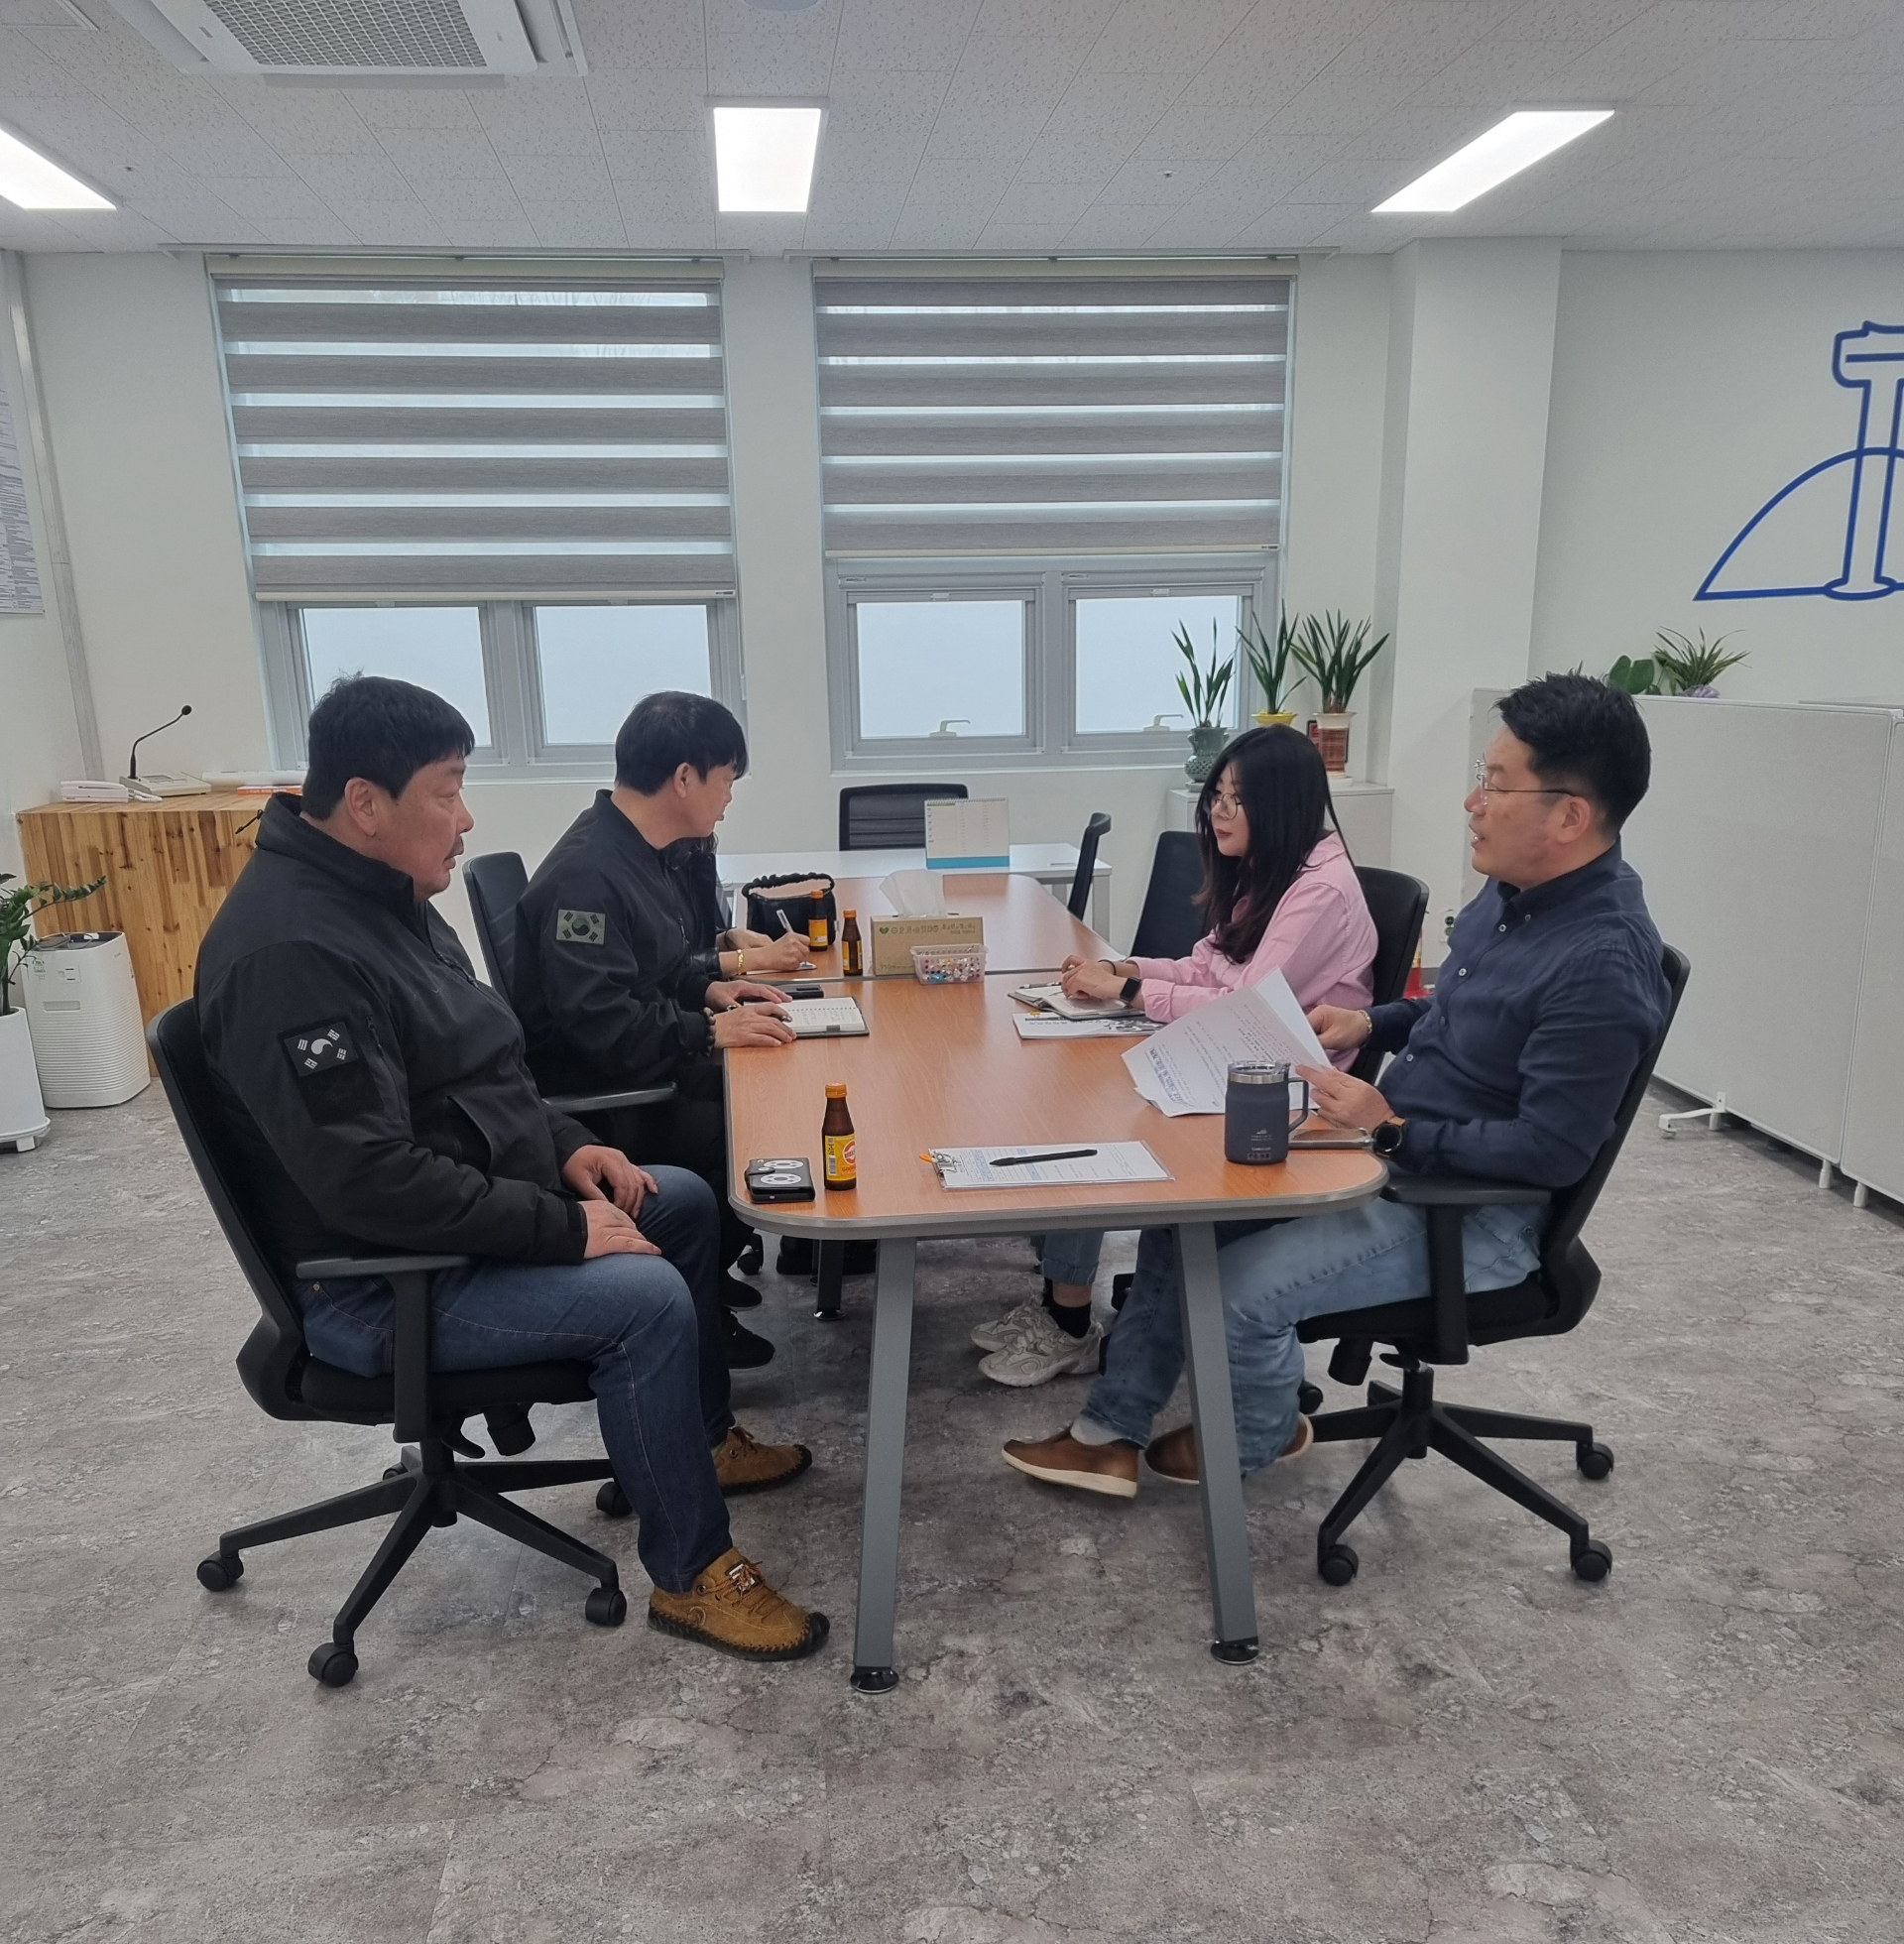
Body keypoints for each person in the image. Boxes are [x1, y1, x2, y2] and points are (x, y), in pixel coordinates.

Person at [195, 675, 825, 1661]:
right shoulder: (292, 953)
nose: (466, 818)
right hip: (382, 1283)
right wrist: (563, 1228)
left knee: (681, 1204)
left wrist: (569, 1145)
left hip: (456, 1220)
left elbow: (479, 1066)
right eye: (447, 792)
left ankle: (699, 1443)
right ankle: (693, 1573)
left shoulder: (384, 898)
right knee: (646, 1298)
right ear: (365, 803)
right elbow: (369, 1182)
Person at [1000, 672, 1669, 1500]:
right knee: (1183, 1222)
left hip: (1470, 1212)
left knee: (1239, 1294)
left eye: (1496, 785)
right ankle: (1109, 1435)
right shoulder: (1517, 898)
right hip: (1393, 1156)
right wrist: (1372, 1022)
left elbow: (1552, 1153)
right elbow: (1458, 1015)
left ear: (1569, 816)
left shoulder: (1602, 961)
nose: (1471, 802)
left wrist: (1390, 1128)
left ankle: (1260, 1430)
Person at [974, 726, 1377, 1389]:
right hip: (1234, 1059)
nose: (1218, 811)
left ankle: (1068, 1320)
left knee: (1096, 1116)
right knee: (1079, 1093)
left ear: (1281, 804)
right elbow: (1205, 967)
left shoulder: (1319, 889)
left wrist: (1131, 992)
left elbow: (1243, 1003)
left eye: (1237, 799)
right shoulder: (1274, 868)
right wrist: (1127, 969)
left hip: (1286, 1092)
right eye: (1216, 795)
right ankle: (1062, 1306)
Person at [512, 692, 802, 1366]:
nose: (729, 797)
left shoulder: (640, 851)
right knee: (760, 1122)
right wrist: (709, 1032)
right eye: (726, 779)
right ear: (684, 778)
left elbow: (653, 965)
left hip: (643, 1060)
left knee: (771, 1075)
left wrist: (707, 989)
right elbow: (602, 1026)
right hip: (606, 1097)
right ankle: (692, 1304)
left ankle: (704, 1278)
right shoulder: (587, 876)